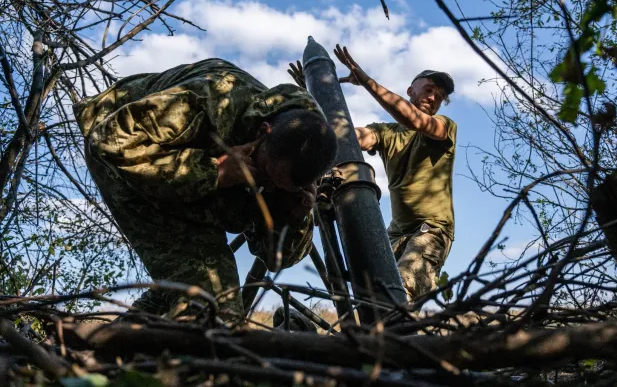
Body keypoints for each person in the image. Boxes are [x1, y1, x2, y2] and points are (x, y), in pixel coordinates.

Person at [74, 58, 337, 321]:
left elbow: (277, 260)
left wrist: (295, 218)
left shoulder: (296, 165)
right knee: (214, 305)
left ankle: (120, 340)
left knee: (199, 286)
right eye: (265, 173)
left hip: (182, 166)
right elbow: (109, 141)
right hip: (119, 148)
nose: (265, 186)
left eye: (277, 186)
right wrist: (215, 171)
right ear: (262, 132)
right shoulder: (213, 99)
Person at [290, 45, 457, 302]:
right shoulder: (386, 132)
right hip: (396, 232)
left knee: (399, 295)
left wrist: (367, 82)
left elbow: (416, 121)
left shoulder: (445, 127)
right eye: (429, 89)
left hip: (432, 230)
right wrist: (312, 96)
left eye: (440, 95)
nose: (434, 97)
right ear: (410, 90)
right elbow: (345, 138)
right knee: (369, 297)